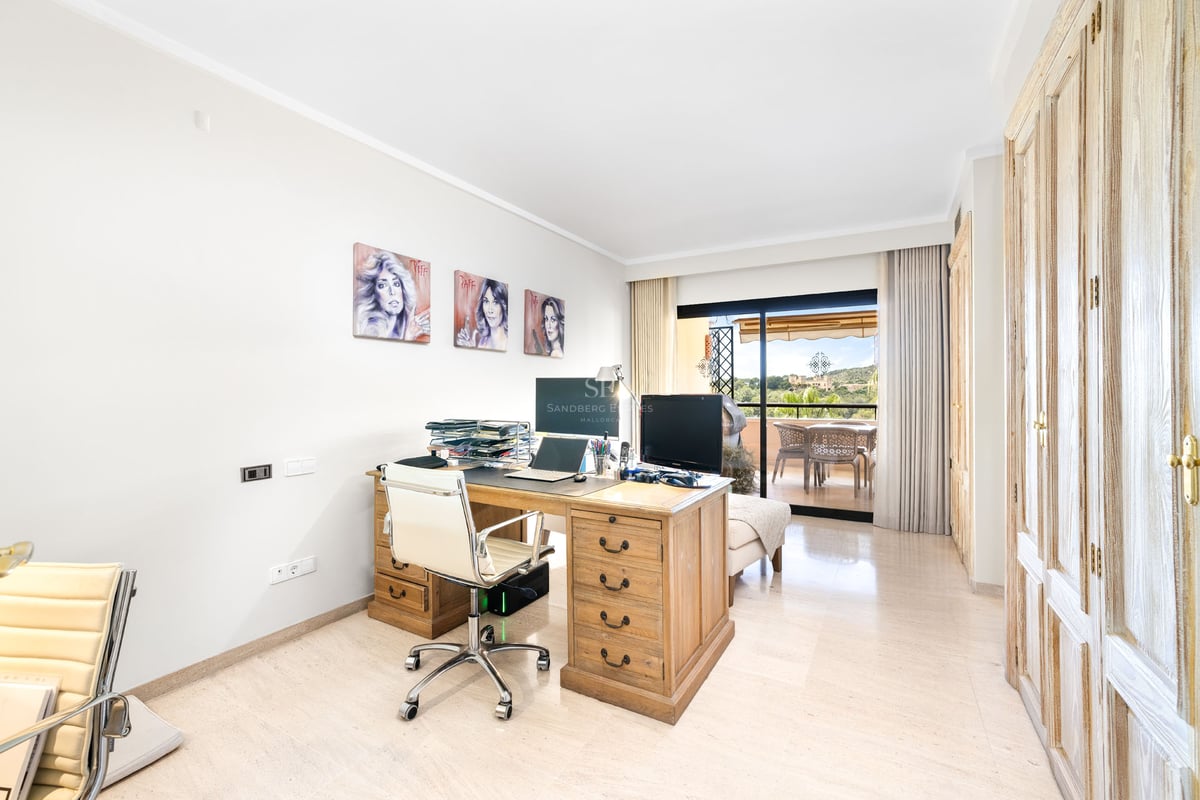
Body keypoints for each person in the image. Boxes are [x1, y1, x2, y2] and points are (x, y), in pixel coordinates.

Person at [355, 251, 430, 340]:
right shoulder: (369, 330)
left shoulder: (409, 324)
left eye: (396, 284)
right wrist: (409, 337)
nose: (392, 292)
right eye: (382, 285)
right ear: (373, 293)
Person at [456, 278, 508, 350]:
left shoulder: (508, 342)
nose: (490, 310)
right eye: (486, 301)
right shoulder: (480, 339)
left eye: (495, 302)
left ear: (504, 306)